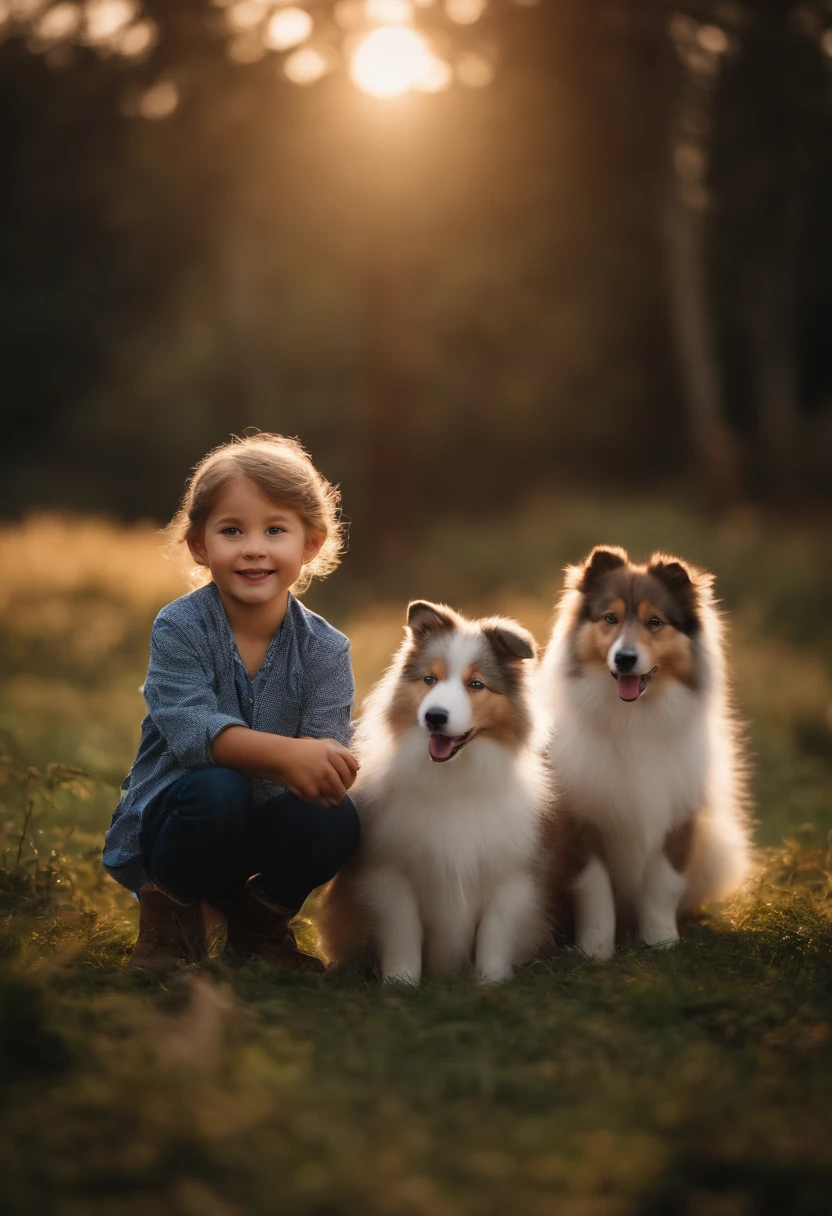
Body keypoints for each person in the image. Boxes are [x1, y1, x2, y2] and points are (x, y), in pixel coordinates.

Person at [103, 433, 360, 975]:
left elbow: (325, 754)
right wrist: (291, 756)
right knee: (219, 787)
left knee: (336, 819)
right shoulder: (180, 626)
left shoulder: (327, 648)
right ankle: (169, 932)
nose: (253, 547)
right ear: (200, 546)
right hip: (183, 823)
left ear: (310, 544)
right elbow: (193, 730)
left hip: (264, 837)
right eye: (232, 530)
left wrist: (326, 762)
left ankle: (257, 925)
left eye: (275, 530)